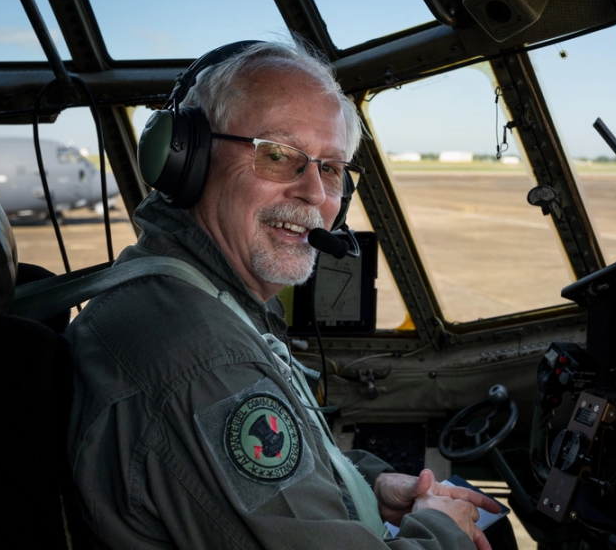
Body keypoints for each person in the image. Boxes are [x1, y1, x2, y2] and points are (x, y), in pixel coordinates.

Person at [66, 39, 501, 550]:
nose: (316, 194)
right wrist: (441, 530)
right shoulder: (204, 359)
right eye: (277, 154)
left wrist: (370, 487)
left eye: (331, 168)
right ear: (188, 159)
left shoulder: (199, 298)